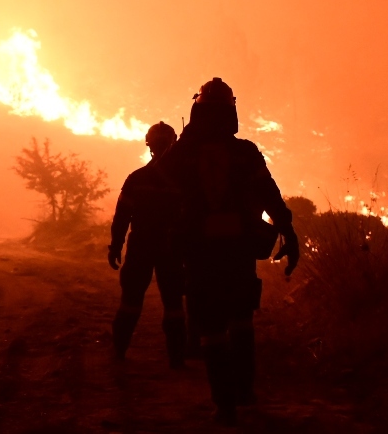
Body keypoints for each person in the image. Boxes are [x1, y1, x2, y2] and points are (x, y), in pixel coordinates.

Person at [159, 78, 299, 425]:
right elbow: (271, 196)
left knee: (211, 329)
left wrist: (188, 134)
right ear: (232, 113)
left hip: (201, 253)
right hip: (237, 253)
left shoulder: (182, 153)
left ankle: (225, 405)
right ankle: (245, 392)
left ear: (197, 111)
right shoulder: (245, 152)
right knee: (240, 321)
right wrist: (289, 233)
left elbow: (164, 181)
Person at [108, 121, 186, 368]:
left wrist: (115, 245)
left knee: (131, 301)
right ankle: (177, 358)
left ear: (149, 145)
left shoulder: (136, 178)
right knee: (174, 303)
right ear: (174, 144)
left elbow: (122, 217)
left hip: (141, 245)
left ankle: (119, 351)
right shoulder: (185, 181)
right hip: (172, 248)